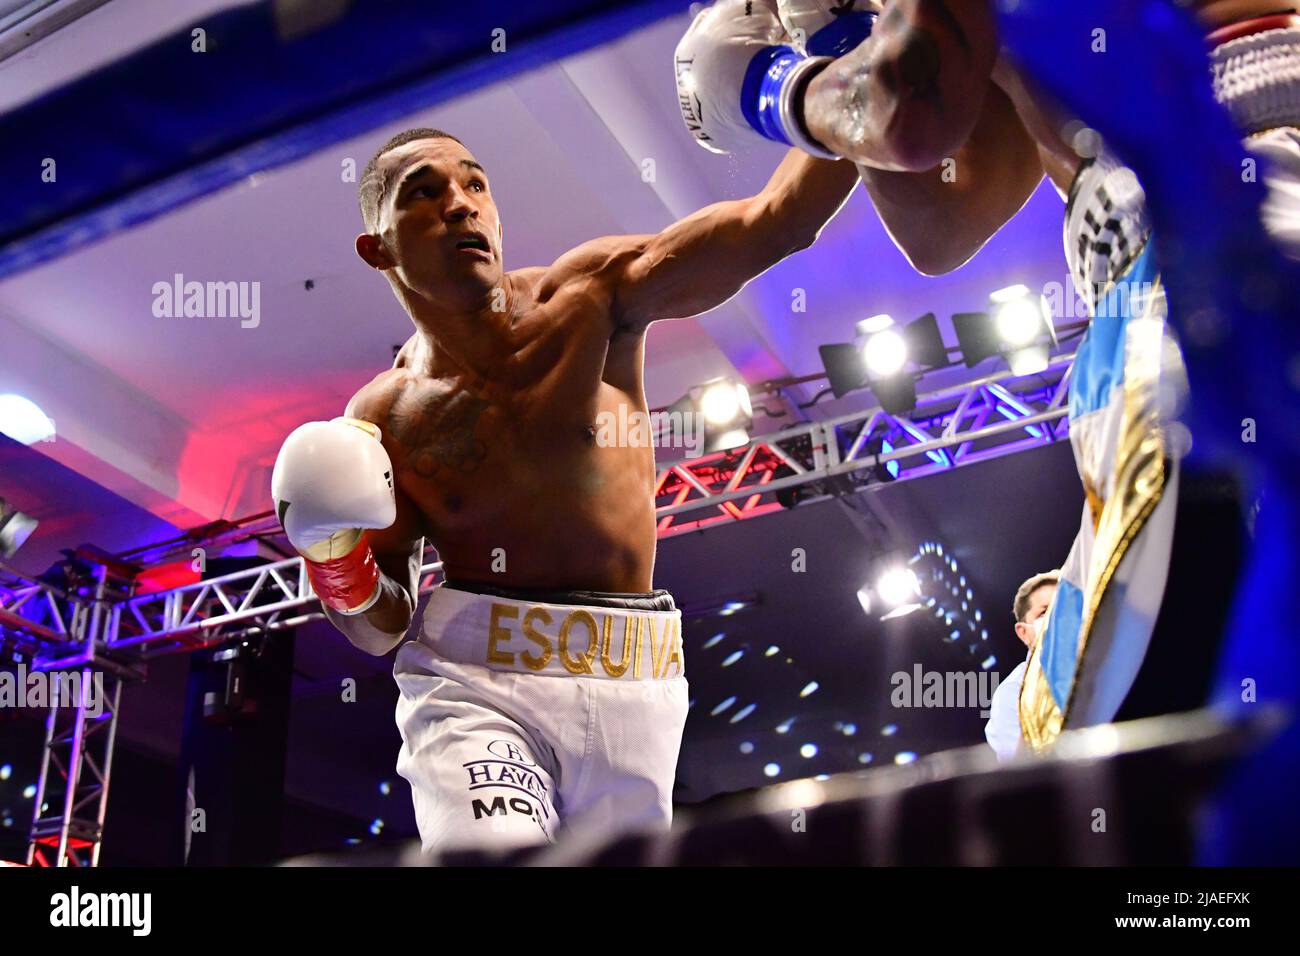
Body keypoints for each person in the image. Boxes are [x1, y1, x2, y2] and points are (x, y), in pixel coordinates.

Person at [677, 0, 1300, 749]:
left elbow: (906, 130)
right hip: (1199, 223)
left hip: (1201, 239)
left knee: (1142, 736)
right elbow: (943, 219)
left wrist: (779, 79)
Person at [270, 82, 861, 851]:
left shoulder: (591, 297)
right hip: (474, 682)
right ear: (376, 247)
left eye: (475, 184)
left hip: (634, 674)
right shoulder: (383, 419)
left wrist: (851, 87)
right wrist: (331, 556)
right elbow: (380, 628)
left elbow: (775, 222)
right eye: (426, 192)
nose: (462, 203)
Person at [985, 571, 1058, 762]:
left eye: (1062, 606)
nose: (1057, 616)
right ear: (1023, 632)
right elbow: (1021, 770)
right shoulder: (1013, 692)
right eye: (1044, 611)